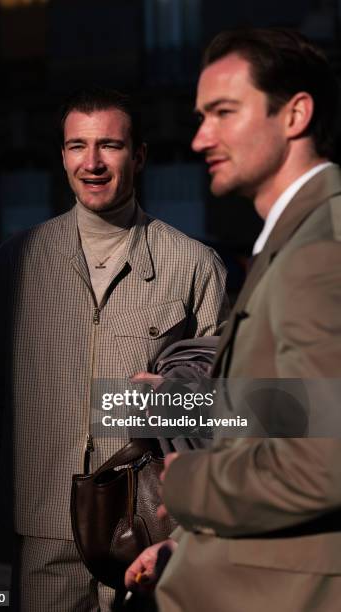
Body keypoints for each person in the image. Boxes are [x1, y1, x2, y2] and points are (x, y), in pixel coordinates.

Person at [0, 87, 227, 611]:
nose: (91, 163)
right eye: (77, 146)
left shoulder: (195, 265)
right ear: (63, 156)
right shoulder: (18, 262)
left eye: (109, 146)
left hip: (150, 529)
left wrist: (173, 400)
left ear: (137, 156)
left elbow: (225, 404)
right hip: (45, 534)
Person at [125, 28, 341, 611]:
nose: (200, 138)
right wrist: (186, 546)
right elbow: (278, 418)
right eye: (201, 116)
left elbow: (325, 461)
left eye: (223, 112)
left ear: (294, 113)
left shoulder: (319, 250)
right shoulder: (294, 242)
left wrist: (188, 484)